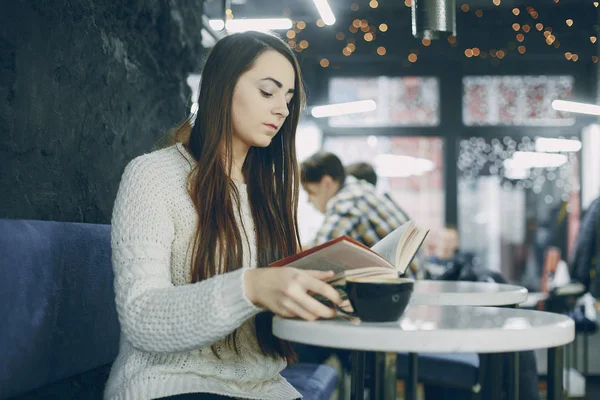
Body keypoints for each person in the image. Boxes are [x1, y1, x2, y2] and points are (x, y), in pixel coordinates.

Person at [104, 31, 343, 400]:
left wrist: (320, 295)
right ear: (222, 86)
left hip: (263, 388)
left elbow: (264, 325)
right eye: (268, 91)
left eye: (289, 97)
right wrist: (252, 287)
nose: (281, 108)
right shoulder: (152, 176)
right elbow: (141, 317)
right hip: (170, 385)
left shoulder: (266, 192)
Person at [300, 152, 409, 249]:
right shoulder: (359, 187)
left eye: (310, 192)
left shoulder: (346, 202)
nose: (308, 200)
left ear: (327, 183)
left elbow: (319, 254)